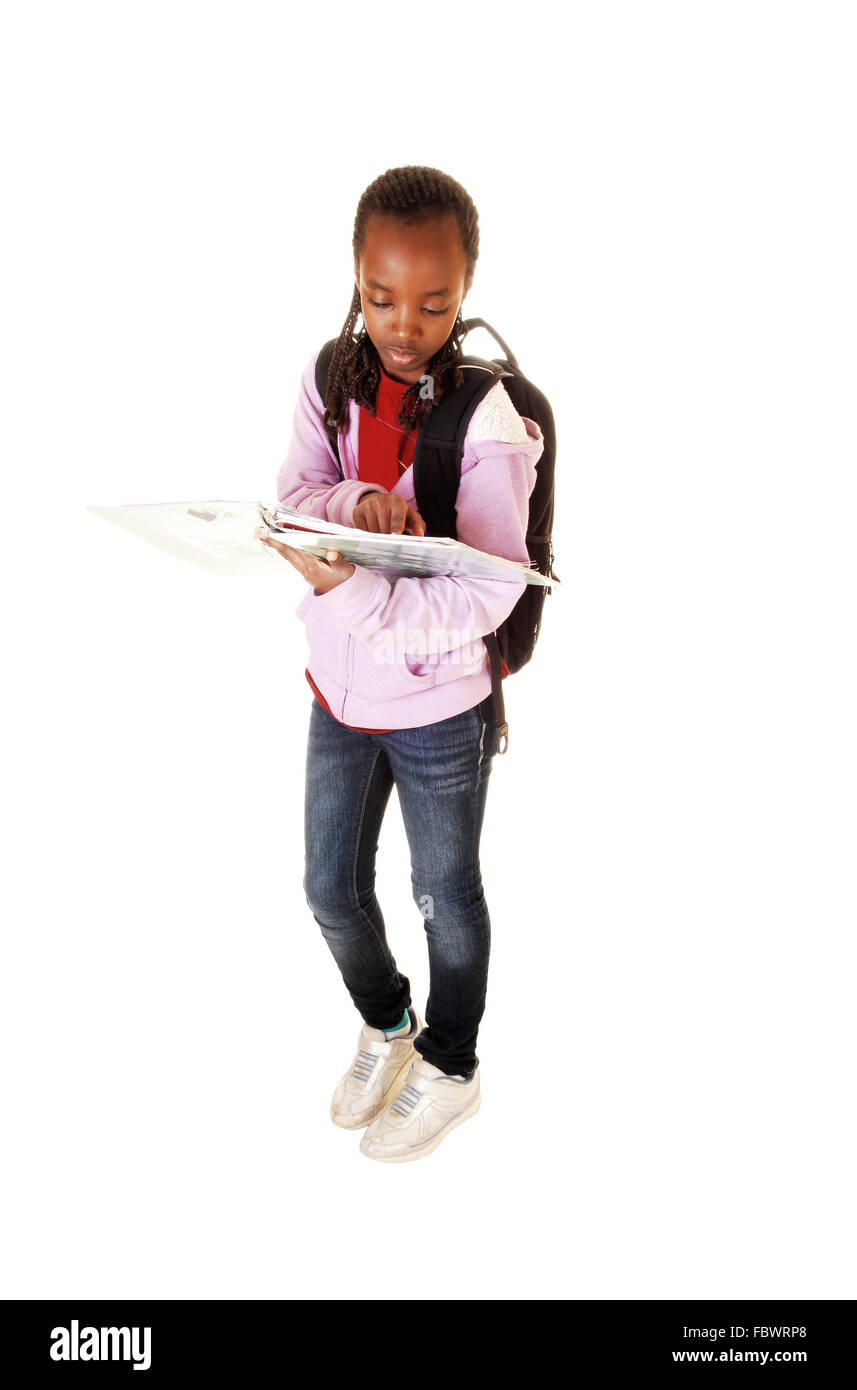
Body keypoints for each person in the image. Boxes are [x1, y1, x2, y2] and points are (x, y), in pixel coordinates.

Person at [258, 165, 545, 1163]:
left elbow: (486, 593)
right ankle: (389, 1025)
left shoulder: (488, 424)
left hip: (439, 712)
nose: (403, 322)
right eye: (381, 296)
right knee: (329, 886)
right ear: (354, 274)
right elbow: (299, 486)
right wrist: (352, 508)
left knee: (442, 893)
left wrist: (351, 591)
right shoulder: (328, 376)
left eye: (433, 302)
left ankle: (453, 1063)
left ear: (464, 289)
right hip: (338, 692)